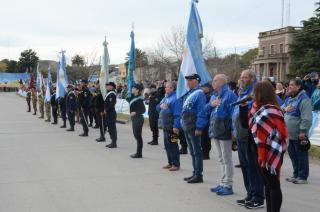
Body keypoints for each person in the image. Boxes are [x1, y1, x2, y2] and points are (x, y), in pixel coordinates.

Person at [249, 81, 288, 212]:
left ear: (262, 93)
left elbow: (281, 132)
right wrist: (244, 107)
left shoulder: (272, 109)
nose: (253, 94)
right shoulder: (256, 108)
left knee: (273, 185)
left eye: (255, 92)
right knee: (267, 184)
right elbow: (249, 125)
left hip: (271, 151)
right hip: (260, 151)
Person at [233, 70, 265, 209]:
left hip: (251, 136)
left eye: (245, 77)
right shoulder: (242, 92)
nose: (242, 79)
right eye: (241, 77)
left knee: (254, 168)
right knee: (245, 167)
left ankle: (258, 197)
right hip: (241, 134)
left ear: (252, 78)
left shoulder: (257, 91)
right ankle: (250, 193)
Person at [207, 74, 237, 196]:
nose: (212, 82)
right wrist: (211, 104)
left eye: (215, 80)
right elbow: (206, 110)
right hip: (216, 129)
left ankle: (228, 184)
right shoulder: (214, 95)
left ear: (222, 82)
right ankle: (223, 182)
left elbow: (233, 114)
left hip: (225, 130)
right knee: (221, 158)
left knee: (226, 158)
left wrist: (233, 130)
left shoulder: (230, 95)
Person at [282, 78, 312, 184]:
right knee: (293, 155)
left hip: (299, 135)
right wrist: (284, 110)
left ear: (298, 86)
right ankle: (296, 174)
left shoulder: (304, 99)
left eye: (292, 85)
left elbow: (307, 117)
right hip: (289, 135)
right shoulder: (290, 99)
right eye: (289, 85)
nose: (289, 87)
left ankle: (302, 177)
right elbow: (280, 109)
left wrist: (303, 131)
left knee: (301, 155)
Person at [181, 74, 207, 184]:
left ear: (196, 81)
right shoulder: (190, 93)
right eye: (187, 80)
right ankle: (195, 172)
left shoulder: (199, 94)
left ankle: (198, 174)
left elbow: (202, 111)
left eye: (190, 80)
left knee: (197, 151)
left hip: (193, 125)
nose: (188, 83)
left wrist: (199, 126)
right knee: (192, 151)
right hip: (187, 124)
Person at [157, 81, 182, 171]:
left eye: (167, 87)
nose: (165, 88)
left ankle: (176, 164)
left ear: (172, 88)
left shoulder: (176, 98)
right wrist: (161, 106)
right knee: (167, 145)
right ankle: (170, 162)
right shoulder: (166, 97)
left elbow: (177, 114)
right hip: (165, 126)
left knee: (173, 144)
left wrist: (176, 126)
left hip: (172, 127)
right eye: (165, 87)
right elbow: (158, 107)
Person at [128, 83, 146, 158]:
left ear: (137, 90)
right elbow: (127, 97)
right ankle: (138, 153)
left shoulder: (139, 99)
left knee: (138, 136)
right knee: (136, 135)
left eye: (133, 88)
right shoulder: (133, 97)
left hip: (138, 118)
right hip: (134, 119)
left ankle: (139, 153)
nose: (132, 89)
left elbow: (143, 110)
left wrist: (135, 112)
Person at [104, 82, 118, 148]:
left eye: (108, 86)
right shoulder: (108, 93)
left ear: (112, 87)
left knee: (112, 128)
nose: (107, 87)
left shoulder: (112, 94)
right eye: (107, 86)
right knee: (109, 128)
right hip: (108, 113)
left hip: (111, 113)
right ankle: (112, 141)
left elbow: (111, 104)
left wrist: (106, 110)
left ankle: (114, 143)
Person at [200, 82, 212, 160]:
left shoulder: (209, 96)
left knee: (205, 137)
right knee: (202, 137)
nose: (202, 89)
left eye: (203, 87)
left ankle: (206, 153)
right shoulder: (204, 96)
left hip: (206, 118)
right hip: (202, 118)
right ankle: (204, 152)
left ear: (207, 88)